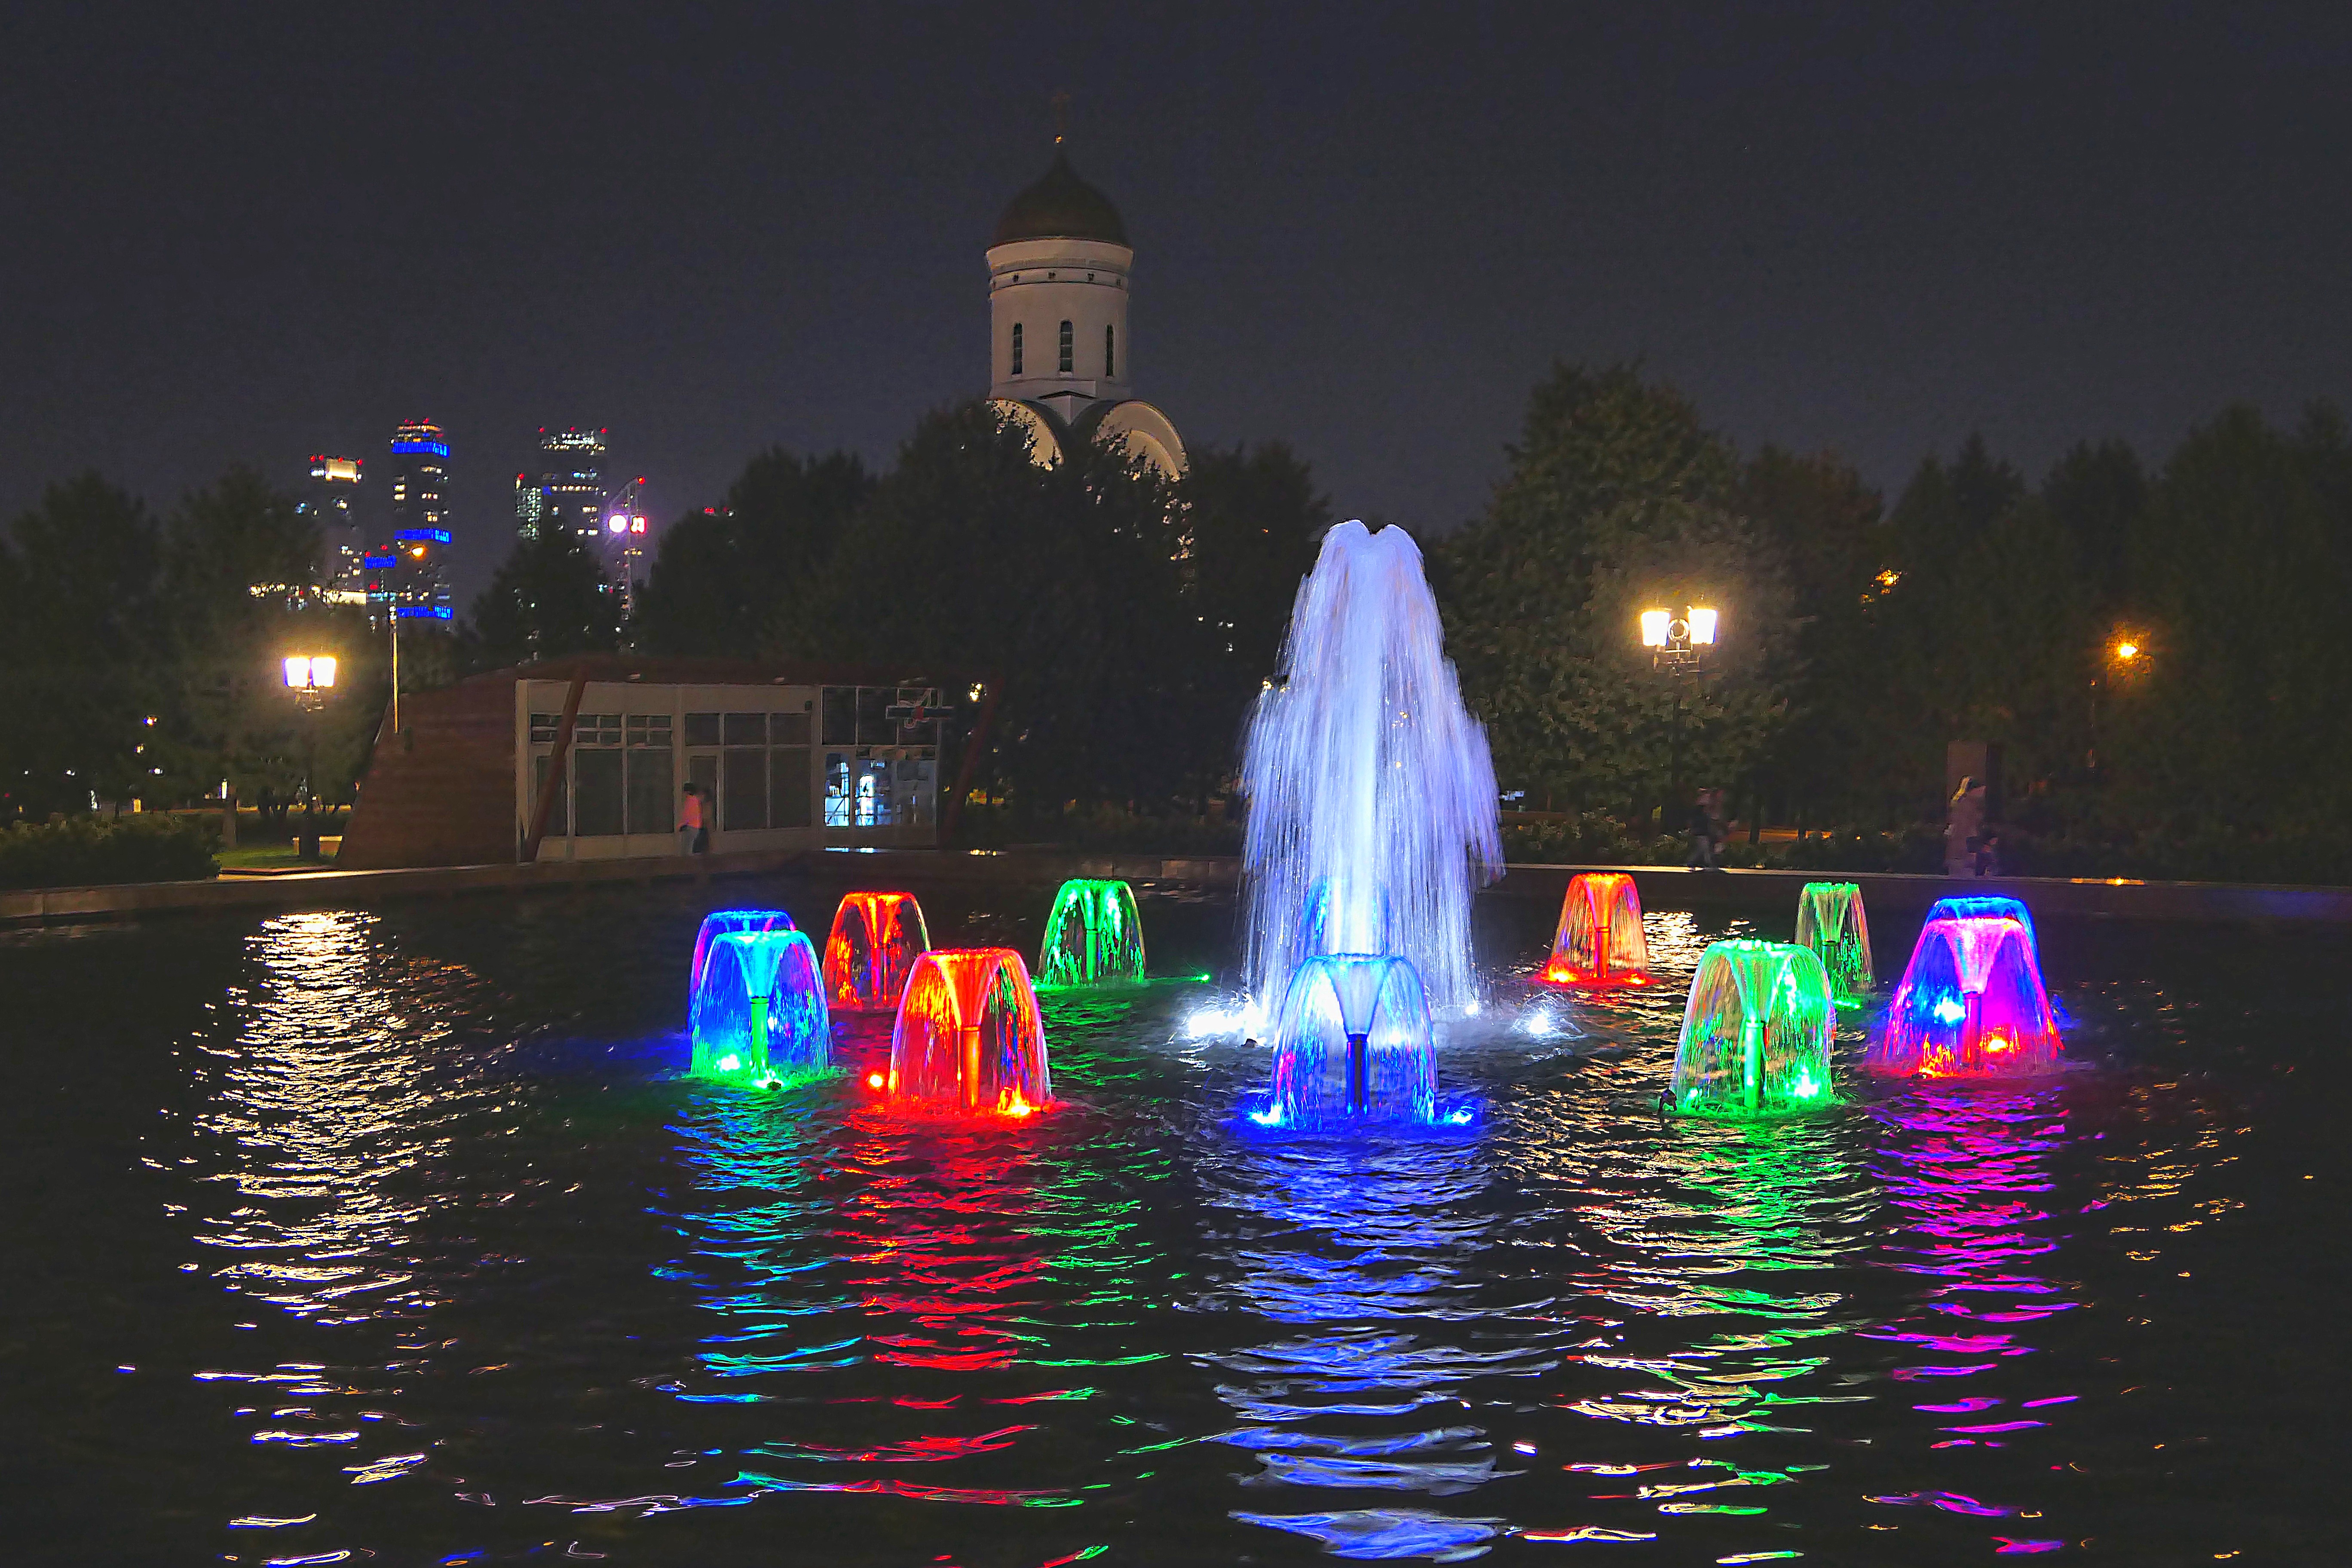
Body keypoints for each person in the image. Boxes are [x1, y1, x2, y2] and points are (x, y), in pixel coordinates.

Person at [1945, 776, 1985, 878]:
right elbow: (1964, 831)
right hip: (1963, 856)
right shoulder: (1966, 807)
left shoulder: (1964, 806)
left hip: (1962, 855)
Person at [1685, 787, 1721, 871]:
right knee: (1704, 849)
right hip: (1701, 833)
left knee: (1702, 849)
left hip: (1703, 833)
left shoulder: (1703, 813)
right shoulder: (1700, 812)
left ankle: (1693, 862)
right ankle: (1707, 863)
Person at [678, 782, 708, 856]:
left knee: (687, 850)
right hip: (697, 827)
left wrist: (680, 825)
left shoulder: (690, 801)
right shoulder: (696, 801)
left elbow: (687, 815)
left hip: (690, 827)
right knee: (690, 848)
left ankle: (688, 865)